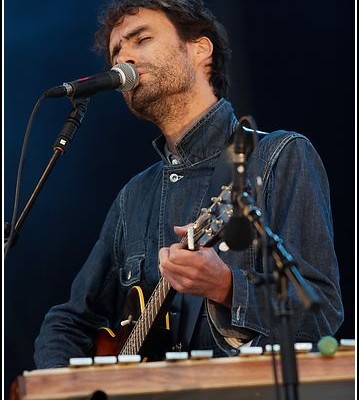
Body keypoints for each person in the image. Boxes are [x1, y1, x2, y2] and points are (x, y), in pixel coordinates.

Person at [34, 0, 343, 369]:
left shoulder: (279, 155)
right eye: (116, 51)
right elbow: (69, 321)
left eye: (141, 39)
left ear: (200, 49)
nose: (123, 59)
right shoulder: (134, 196)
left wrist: (227, 286)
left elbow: (321, 313)